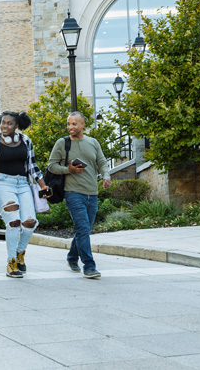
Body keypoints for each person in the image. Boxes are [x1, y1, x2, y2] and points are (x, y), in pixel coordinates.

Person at [0, 111, 50, 278]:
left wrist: (43, 186)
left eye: (9, 123)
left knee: (29, 221)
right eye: (3, 122)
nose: (5, 126)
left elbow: (33, 167)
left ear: (17, 126)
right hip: (2, 184)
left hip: (22, 184)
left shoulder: (26, 141)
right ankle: (11, 262)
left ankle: (20, 253)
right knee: (13, 221)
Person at [47, 111, 111, 279]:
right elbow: (51, 166)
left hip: (92, 192)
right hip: (73, 192)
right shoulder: (62, 143)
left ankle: (72, 257)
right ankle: (89, 266)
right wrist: (68, 170)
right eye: (69, 124)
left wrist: (106, 176)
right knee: (82, 228)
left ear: (83, 125)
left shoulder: (93, 142)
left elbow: (102, 162)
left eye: (74, 124)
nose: (70, 127)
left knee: (85, 229)